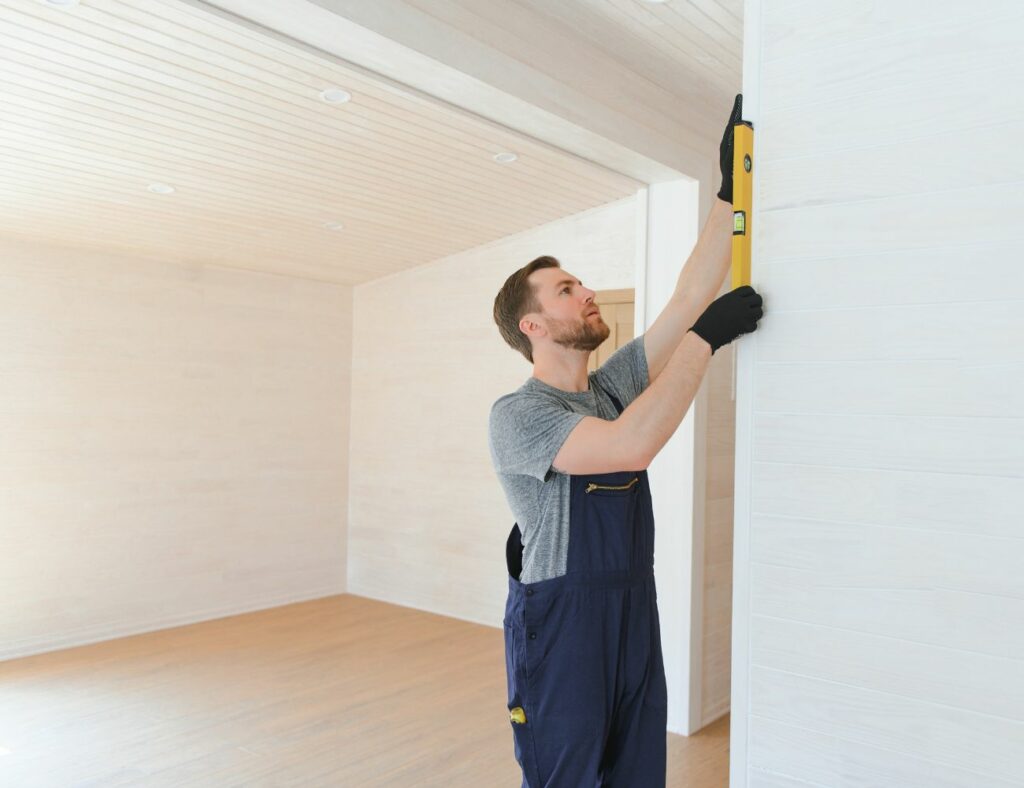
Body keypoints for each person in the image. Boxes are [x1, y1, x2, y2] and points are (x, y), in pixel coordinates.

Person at [487, 94, 764, 787]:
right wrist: (707, 341)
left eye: (580, 283)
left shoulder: (607, 387)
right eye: (564, 290)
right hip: (564, 627)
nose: (584, 294)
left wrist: (730, 189)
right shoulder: (519, 414)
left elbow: (689, 294)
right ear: (533, 326)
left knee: (639, 773)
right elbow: (628, 445)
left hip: (632, 611)